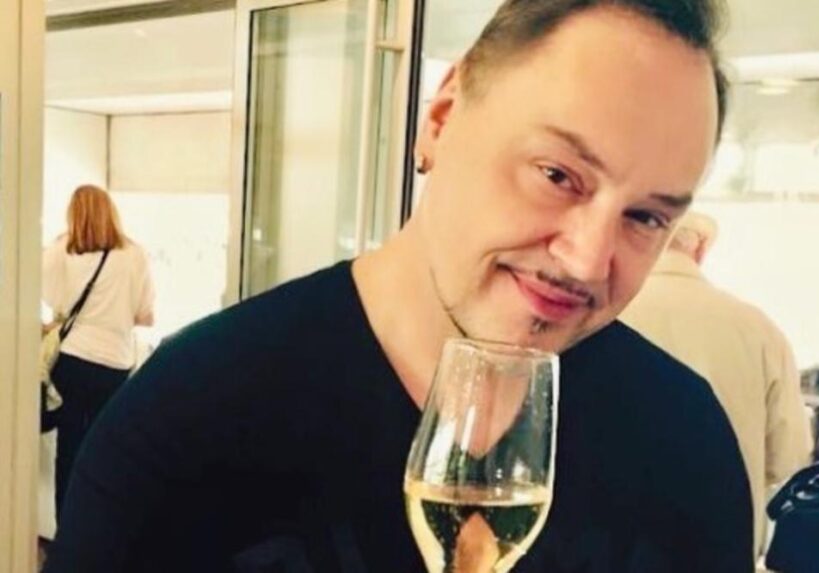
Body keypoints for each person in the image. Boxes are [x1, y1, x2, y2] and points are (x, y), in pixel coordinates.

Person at [45, 1, 754, 571]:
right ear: (441, 119)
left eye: (646, 216)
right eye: (557, 175)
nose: (587, 260)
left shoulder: (683, 444)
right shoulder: (191, 412)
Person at [621, 212, 812, 558]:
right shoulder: (759, 329)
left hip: (610, 546)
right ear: (701, 249)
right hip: (721, 545)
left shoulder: (602, 315)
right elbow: (789, 457)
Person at [41, 184, 155, 521]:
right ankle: (101, 532)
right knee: (107, 449)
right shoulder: (135, 255)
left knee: (69, 450)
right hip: (115, 365)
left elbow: (51, 298)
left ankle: (67, 533)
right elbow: (145, 316)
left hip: (73, 362)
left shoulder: (61, 251)